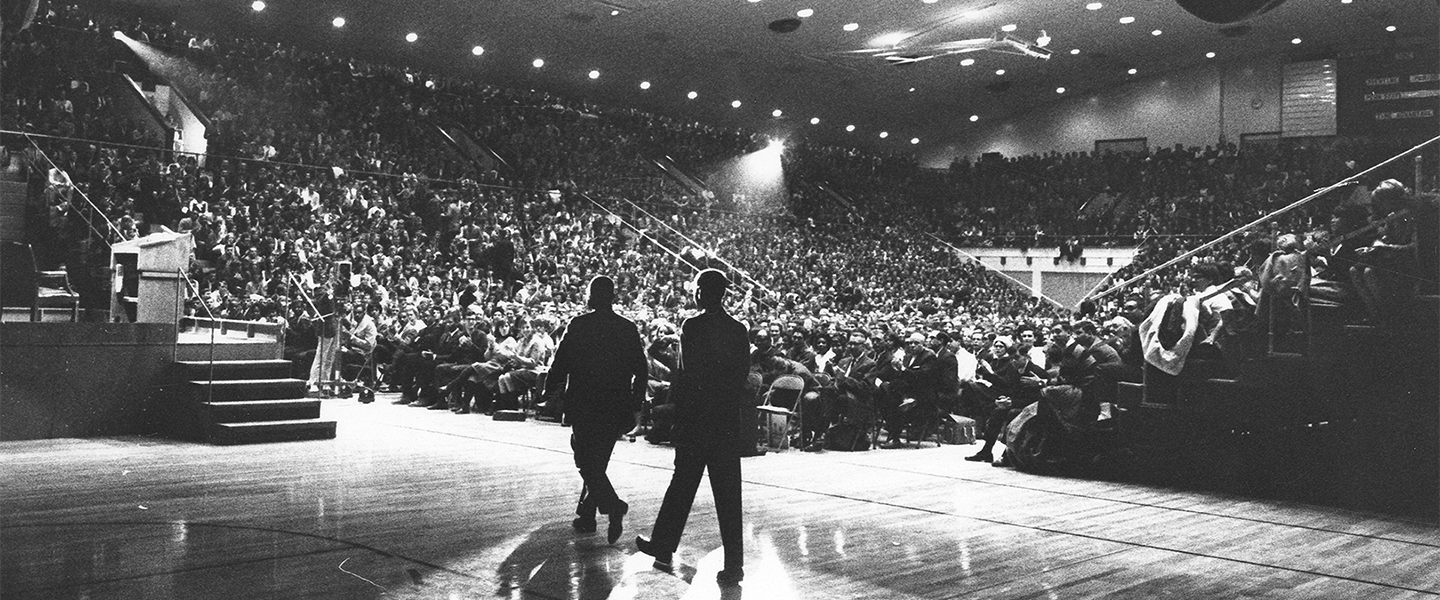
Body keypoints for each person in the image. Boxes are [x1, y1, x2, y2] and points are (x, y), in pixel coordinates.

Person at [637, 269, 749, 587]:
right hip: (725, 421)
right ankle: (734, 565)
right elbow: (741, 376)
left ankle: (663, 543)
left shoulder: (692, 326)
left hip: (698, 420)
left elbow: (687, 377)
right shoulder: (739, 329)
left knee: (682, 485)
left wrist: (679, 419)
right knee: (729, 495)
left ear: (701, 292)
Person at [545, 276, 648, 545]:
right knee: (597, 461)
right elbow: (641, 368)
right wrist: (635, 402)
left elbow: (560, 362)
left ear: (591, 296)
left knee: (584, 460)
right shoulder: (627, 328)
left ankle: (613, 505)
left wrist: (549, 389)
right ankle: (587, 517)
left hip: (584, 402)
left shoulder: (579, 325)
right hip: (615, 404)